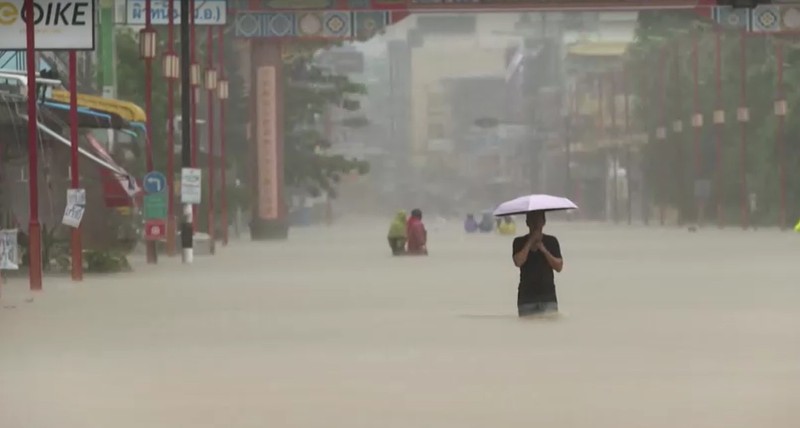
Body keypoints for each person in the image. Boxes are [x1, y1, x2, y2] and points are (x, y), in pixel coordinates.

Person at [511, 211, 563, 317]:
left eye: (538, 220)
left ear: (543, 222)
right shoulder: (519, 242)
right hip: (526, 298)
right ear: (527, 222)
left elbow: (559, 267)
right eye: (532, 220)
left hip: (548, 297)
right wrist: (530, 242)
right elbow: (518, 262)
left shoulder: (551, 241)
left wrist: (543, 249)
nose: (535, 224)